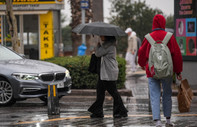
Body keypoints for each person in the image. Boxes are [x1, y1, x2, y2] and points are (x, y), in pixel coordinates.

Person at [138, 14, 183, 127]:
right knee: (167, 94)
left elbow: (142, 53)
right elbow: (176, 55)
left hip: (152, 71)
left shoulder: (148, 37)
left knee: (154, 95)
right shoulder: (170, 37)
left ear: (153, 23)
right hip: (167, 72)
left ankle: (157, 121)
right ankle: (168, 120)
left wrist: (142, 64)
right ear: (163, 23)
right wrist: (178, 71)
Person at [88, 36, 128, 118]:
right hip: (103, 73)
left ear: (107, 37)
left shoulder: (109, 46)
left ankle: (121, 111)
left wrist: (98, 45)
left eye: (102, 35)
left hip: (108, 73)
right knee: (100, 92)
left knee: (113, 92)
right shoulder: (107, 45)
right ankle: (98, 112)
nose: (100, 37)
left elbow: (98, 54)